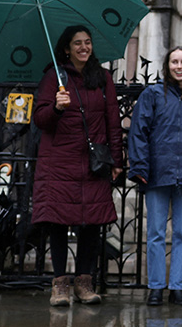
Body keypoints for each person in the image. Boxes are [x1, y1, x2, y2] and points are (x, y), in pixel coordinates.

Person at [32, 25, 124, 307]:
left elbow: (113, 120)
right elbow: (40, 120)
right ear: (66, 49)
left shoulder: (103, 77)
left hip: (93, 161)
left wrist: (117, 160)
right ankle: (60, 285)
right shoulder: (53, 77)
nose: (84, 48)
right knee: (57, 223)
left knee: (91, 223)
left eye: (87, 42)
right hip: (59, 161)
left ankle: (85, 283)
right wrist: (57, 108)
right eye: (77, 44)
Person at [128, 46, 182, 306]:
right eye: (174, 61)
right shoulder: (152, 95)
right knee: (155, 232)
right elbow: (138, 132)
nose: (179, 66)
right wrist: (140, 168)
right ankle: (156, 286)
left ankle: (177, 287)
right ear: (167, 66)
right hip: (157, 173)